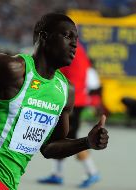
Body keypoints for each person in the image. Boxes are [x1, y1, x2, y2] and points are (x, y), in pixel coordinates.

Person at [0, 13, 109, 190]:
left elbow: (49, 148)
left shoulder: (65, 91)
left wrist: (86, 142)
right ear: (44, 36)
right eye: (67, 36)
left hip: (8, 182)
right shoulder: (12, 68)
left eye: (76, 38)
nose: (74, 44)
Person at [38, 41, 101, 188]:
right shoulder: (75, 48)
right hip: (73, 99)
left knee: (70, 139)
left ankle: (92, 172)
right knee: (59, 136)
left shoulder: (69, 49)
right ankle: (57, 174)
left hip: (71, 100)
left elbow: (67, 78)